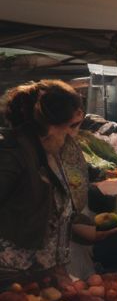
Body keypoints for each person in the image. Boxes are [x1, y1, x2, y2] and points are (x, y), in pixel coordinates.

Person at [0, 80, 85, 282]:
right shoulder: (12, 155)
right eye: (71, 126)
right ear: (49, 125)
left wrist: (56, 269)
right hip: (11, 279)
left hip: (41, 276)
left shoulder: (50, 154)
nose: (73, 134)